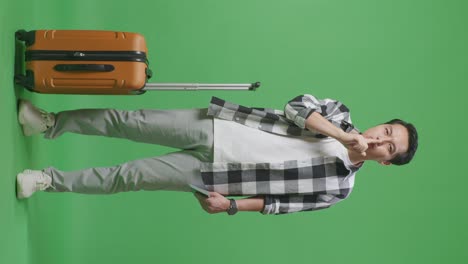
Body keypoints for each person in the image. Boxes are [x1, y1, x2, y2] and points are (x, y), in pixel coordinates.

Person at [15, 94, 418, 215]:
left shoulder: (340, 188)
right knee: (130, 119)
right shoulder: (340, 114)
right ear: (379, 125)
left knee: (129, 176)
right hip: (219, 126)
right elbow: (297, 106)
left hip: (217, 176)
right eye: (386, 131)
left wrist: (231, 207)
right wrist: (340, 135)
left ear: (385, 161)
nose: (381, 140)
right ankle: (48, 124)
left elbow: (280, 204)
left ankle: (48, 181)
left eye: (389, 146)